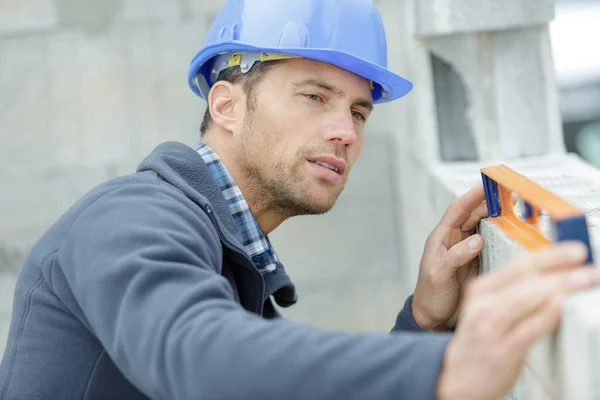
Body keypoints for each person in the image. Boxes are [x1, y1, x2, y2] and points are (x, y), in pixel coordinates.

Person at [1, 0, 598, 399]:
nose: (346, 130)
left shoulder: (226, 257)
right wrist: (445, 372)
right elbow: (196, 355)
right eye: (316, 96)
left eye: (358, 111)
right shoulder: (132, 216)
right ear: (226, 105)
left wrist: (425, 321)